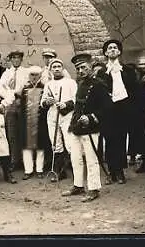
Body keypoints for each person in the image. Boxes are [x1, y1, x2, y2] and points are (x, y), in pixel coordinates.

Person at [62, 54, 110, 202]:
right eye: (78, 68)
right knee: (75, 158)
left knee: (91, 159)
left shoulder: (99, 84)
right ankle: (78, 185)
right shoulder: (80, 84)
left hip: (90, 128)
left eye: (84, 67)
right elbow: (78, 106)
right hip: (77, 126)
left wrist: (90, 117)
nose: (81, 70)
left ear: (90, 67)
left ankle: (94, 188)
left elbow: (107, 107)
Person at [101, 39, 138, 184]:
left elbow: (133, 89)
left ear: (119, 52)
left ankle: (120, 170)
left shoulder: (127, 70)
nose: (112, 50)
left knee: (121, 139)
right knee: (109, 140)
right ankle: (111, 171)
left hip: (123, 109)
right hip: (108, 110)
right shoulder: (102, 72)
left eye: (115, 48)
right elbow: (100, 91)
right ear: (105, 52)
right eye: (109, 48)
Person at [40, 58, 77, 182]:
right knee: (56, 144)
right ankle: (59, 172)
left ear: (62, 68)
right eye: (54, 67)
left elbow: (76, 99)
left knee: (70, 143)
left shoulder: (70, 82)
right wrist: (47, 102)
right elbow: (42, 102)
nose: (56, 69)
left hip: (67, 116)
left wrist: (66, 104)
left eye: (58, 66)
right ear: (50, 70)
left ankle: (76, 171)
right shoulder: (48, 85)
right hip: (52, 117)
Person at [0, 50, 30, 171]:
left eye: (18, 58)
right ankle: (14, 159)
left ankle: (24, 160)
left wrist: (19, 92)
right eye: (14, 58)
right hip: (10, 103)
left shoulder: (26, 72)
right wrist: (10, 91)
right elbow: (1, 88)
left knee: (23, 131)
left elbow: (28, 86)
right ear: (11, 60)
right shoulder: (6, 73)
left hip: (23, 102)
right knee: (11, 132)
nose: (16, 60)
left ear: (21, 59)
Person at [20, 66, 50, 180]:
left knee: (40, 147)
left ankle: (39, 169)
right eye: (31, 75)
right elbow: (22, 107)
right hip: (27, 121)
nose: (33, 77)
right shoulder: (25, 89)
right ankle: (28, 170)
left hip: (40, 121)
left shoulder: (45, 88)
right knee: (26, 147)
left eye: (36, 75)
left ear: (40, 76)